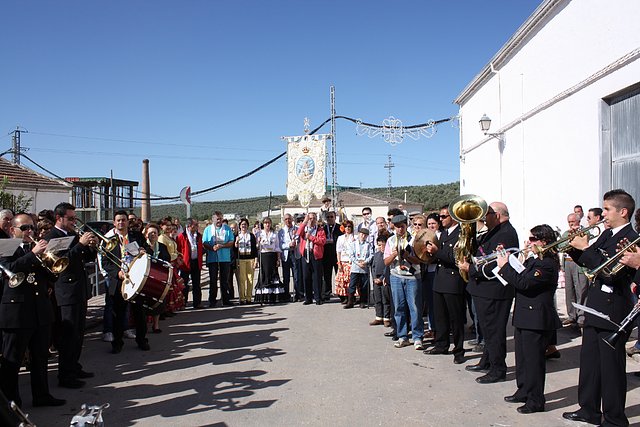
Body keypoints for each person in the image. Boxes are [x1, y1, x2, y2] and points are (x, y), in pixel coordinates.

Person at [563, 189, 638, 426]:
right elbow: (590, 262)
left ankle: (615, 418)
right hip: (596, 305)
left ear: (622, 212)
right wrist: (574, 247)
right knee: (590, 363)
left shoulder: (630, 239)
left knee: (611, 370)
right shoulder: (607, 235)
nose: (602, 214)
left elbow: (608, 273)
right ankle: (589, 409)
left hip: (613, 308)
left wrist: (586, 249)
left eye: (607, 209)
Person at [0, 213, 65, 408]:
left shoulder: (33, 250)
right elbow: (8, 269)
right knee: (13, 359)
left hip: (40, 310)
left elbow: (50, 278)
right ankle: (12, 402)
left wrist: (52, 266)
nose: (30, 231)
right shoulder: (6, 247)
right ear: (13, 230)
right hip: (17, 313)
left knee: (40, 357)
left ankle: (42, 395)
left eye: (32, 228)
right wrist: (33, 254)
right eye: (25, 228)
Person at [497, 224, 561, 414]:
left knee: (534, 362)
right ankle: (523, 390)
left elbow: (524, 283)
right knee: (523, 358)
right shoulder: (536, 260)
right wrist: (516, 262)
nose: (528, 242)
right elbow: (522, 277)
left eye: (533, 239)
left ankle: (536, 400)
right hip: (525, 315)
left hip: (536, 318)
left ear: (544, 242)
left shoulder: (547, 264)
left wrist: (505, 266)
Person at [462, 202, 519, 384]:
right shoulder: (495, 231)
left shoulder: (506, 234)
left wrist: (470, 269)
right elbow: (481, 250)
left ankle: (498, 369)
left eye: (486, 214)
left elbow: (495, 264)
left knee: (494, 331)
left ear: (498, 215)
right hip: (484, 290)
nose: (483, 218)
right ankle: (487, 361)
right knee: (488, 330)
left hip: (494, 291)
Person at [44, 202, 97, 389]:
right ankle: (65, 375)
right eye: (71, 218)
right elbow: (61, 262)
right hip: (66, 291)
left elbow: (85, 258)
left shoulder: (73, 235)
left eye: (74, 218)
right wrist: (80, 245)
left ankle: (74, 366)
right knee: (68, 335)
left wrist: (92, 247)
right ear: (59, 218)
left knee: (78, 333)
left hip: (79, 290)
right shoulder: (53, 237)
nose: (74, 221)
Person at [102, 210, 151, 353]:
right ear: (114, 223)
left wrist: (144, 250)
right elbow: (105, 262)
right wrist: (116, 273)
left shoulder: (136, 236)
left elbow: (148, 250)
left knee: (139, 313)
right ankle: (117, 343)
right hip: (119, 281)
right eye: (118, 220)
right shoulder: (109, 240)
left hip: (136, 279)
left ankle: (142, 340)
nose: (121, 223)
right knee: (118, 313)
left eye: (123, 220)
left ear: (128, 222)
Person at [424, 205, 466, 365]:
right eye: (440, 217)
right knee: (440, 316)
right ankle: (441, 344)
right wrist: (429, 253)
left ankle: (459, 350)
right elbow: (440, 257)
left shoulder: (460, 234)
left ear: (453, 217)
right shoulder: (443, 234)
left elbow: (456, 258)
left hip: (453, 280)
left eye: (443, 217)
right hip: (440, 279)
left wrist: (436, 252)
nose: (440, 220)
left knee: (455, 318)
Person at [384, 214, 424, 351]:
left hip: (412, 276)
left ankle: (418, 337)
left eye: (402, 226)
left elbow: (420, 260)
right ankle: (402, 336)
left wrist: (408, 257)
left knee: (415, 308)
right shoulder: (390, 241)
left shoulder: (414, 239)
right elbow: (386, 262)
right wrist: (394, 255)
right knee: (399, 307)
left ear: (406, 225)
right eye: (397, 227)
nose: (400, 230)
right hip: (396, 276)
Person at [202, 211, 235, 307]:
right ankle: (212, 300)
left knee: (224, 280)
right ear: (213, 219)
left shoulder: (227, 229)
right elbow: (204, 242)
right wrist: (212, 248)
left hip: (224, 258)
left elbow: (231, 242)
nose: (219, 220)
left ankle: (225, 299)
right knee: (213, 281)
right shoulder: (208, 229)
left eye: (220, 218)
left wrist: (222, 246)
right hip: (213, 259)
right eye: (217, 219)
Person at [562, 213, 589, 328]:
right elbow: (561, 245)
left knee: (581, 290)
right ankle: (571, 316)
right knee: (569, 290)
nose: (571, 224)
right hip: (568, 262)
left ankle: (581, 317)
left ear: (578, 221)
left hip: (579, 264)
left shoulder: (585, 232)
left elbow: (584, 244)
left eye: (573, 221)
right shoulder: (566, 233)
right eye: (569, 222)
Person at [145, 223, 170, 333]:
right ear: (146, 234)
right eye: (150, 233)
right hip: (145, 278)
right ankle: (144, 324)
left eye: (155, 232)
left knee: (158, 301)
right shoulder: (143, 246)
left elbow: (167, 259)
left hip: (159, 277)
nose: (153, 235)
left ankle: (156, 325)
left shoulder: (162, 247)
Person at [297, 212, 326, 305]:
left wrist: (312, 238)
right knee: (306, 277)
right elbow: (298, 233)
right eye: (310, 218)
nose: (311, 220)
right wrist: (304, 222)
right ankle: (308, 298)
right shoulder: (304, 229)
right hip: (305, 253)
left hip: (315, 255)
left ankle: (318, 298)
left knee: (316, 277)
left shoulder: (320, 230)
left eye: (313, 218)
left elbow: (322, 241)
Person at [177, 218, 204, 309]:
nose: (197, 227)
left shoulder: (199, 236)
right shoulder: (182, 236)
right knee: (184, 283)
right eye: (195, 225)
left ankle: (197, 303)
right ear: (189, 226)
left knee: (196, 283)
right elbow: (179, 249)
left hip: (196, 262)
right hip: (185, 263)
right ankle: (183, 303)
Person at [255, 217, 282, 304]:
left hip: (272, 255)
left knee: (273, 273)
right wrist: (258, 242)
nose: (267, 224)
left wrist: (278, 259)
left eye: (269, 223)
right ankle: (264, 296)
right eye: (266, 223)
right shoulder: (260, 233)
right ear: (263, 224)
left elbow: (277, 247)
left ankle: (274, 296)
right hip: (263, 255)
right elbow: (257, 248)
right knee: (264, 273)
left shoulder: (274, 234)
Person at [344, 227, 373, 309]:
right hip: (355, 268)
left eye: (365, 235)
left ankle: (362, 301)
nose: (363, 236)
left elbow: (371, 255)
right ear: (359, 234)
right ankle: (350, 301)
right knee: (352, 285)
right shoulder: (353, 244)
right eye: (362, 234)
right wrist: (357, 263)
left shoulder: (368, 245)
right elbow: (351, 255)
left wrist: (366, 262)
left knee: (363, 285)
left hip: (364, 267)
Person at [370, 235, 391, 326]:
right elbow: (373, 267)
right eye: (379, 245)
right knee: (377, 299)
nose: (381, 247)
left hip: (384, 279)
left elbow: (387, 268)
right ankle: (379, 316)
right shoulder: (376, 255)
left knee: (385, 299)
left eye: (383, 245)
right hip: (376, 279)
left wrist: (381, 278)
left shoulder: (387, 256)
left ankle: (386, 318)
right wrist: (374, 278)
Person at [236, 218, 257, 304]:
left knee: (250, 279)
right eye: (242, 225)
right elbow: (234, 249)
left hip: (250, 259)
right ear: (240, 226)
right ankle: (242, 298)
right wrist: (236, 242)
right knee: (242, 279)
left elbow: (255, 249)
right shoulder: (237, 236)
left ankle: (249, 298)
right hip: (241, 259)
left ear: (247, 225)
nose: (243, 226)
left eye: (245, 224)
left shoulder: (251, 236)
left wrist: (256, 260)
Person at [322, 211, 342, 301]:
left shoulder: (340, 228)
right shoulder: (323, 228)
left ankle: (341, 293)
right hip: (326, 255)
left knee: (339, 274)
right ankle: (327, 292)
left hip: (337, 255)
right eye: (328, 217)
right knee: (327, 275)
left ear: (335, 217)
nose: (330, 219)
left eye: (331, 217)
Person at [278, 214, 297, 302]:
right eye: (286, 219)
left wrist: (295, 243)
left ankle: (298, 293)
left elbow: (300, 240)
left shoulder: (296, 229)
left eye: (289, 219)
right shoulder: (281, 231)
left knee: (296, 275)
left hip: (295, 253)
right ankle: (286, 294)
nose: (288, 221)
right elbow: (280, 245)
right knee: (286, 276)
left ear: (292, 219)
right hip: (286, 255)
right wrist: (288, 245)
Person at [335, 220, 355, 303]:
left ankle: (352, 297)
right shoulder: (340, 238)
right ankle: (344, 296)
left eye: (349, 226)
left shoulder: (355, 237)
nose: (348, 228)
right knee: (341, 280)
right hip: (343, 261)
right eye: (346, 226)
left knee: (351, 281)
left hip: (351, 262)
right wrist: (339, 263)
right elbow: (338, 251)